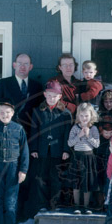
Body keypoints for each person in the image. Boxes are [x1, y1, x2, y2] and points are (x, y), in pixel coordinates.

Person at [28, 80, 72, 214]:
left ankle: (54, 204)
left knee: (56, 178)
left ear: (59, 97)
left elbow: (67, 134)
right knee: (41, 177)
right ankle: (42, 204)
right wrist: (34, 148)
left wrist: (66, 149)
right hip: (42, 151)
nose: (51, 98)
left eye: (55, 95)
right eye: (49, 95)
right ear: (44, 95)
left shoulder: (65, 113)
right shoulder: (38, 111)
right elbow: (34, 131)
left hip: (57, 151)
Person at [0, 53, 44, 133]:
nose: (22, 67)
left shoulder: (37, 86)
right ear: (14, 65)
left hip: (30, 133)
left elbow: (40, 111)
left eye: (26, 64)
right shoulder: (3, 84)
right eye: (19, 63)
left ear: (30, 67)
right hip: (8, 131)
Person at [67, 102, 100, 214]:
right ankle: (77, 205)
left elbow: (97, 144)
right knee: (77, 183)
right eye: (81, 116)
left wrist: (88, 136)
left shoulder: (94, 128)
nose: (84, 118)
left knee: (87, 182)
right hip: (77, 157)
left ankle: (86, 206)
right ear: (78, 116)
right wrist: (79, 136)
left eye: (86, 116)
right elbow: (70, 143)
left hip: (89, 157)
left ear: (91, 115)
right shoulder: (75, 128)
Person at [95, 123, 112, 211]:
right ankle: (99, 203)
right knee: (99, 183)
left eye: (110, 133)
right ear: (102, 132)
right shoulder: (99, 139)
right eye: (106, 133)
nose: (108, 135)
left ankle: (107, 203)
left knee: (108, 183)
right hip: (99, 164)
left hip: (110, 164)